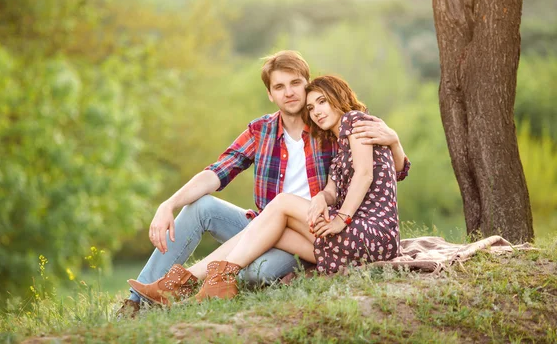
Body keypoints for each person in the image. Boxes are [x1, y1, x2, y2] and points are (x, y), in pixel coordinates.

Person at [118, 52, 409, 316]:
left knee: (257, 273)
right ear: (270, 94)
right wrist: (169, 203)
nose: (289, 92)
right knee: (201, 206)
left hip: (315, 233)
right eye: (279, 87)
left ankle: (212, 279)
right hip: (266, 224)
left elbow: (383, 173)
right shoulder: (262, 130)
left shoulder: (328, 126)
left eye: (295, 83)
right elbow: (217, 172)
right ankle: (139, 300)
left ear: (307, 84)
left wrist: (394, 142)